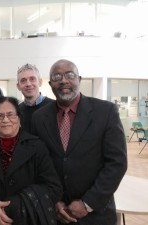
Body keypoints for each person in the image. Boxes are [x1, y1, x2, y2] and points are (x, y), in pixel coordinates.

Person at [32, 59, 127, 225]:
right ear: (50, 84)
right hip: (55, 214)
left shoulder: (106, 112)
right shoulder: (39, 118)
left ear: (79, 79)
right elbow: (37, 164)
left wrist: (88, 204)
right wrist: (53, 200)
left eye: (70, 74)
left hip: (96, 214)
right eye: (57, 76)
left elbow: (117, 163)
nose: (63, 80)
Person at [0, 96, 62, 225]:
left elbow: (53, 188)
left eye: (10, 115)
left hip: (26, 219)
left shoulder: (37, 147)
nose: (5, 120)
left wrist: (14, 206)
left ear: (19, 119)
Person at [16, 63, 54, 132]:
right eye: (23, 80)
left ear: (40, 82)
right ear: (18, 86)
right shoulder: (16, 112)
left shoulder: (55, 107)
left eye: (32, 79)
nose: (28, 84)